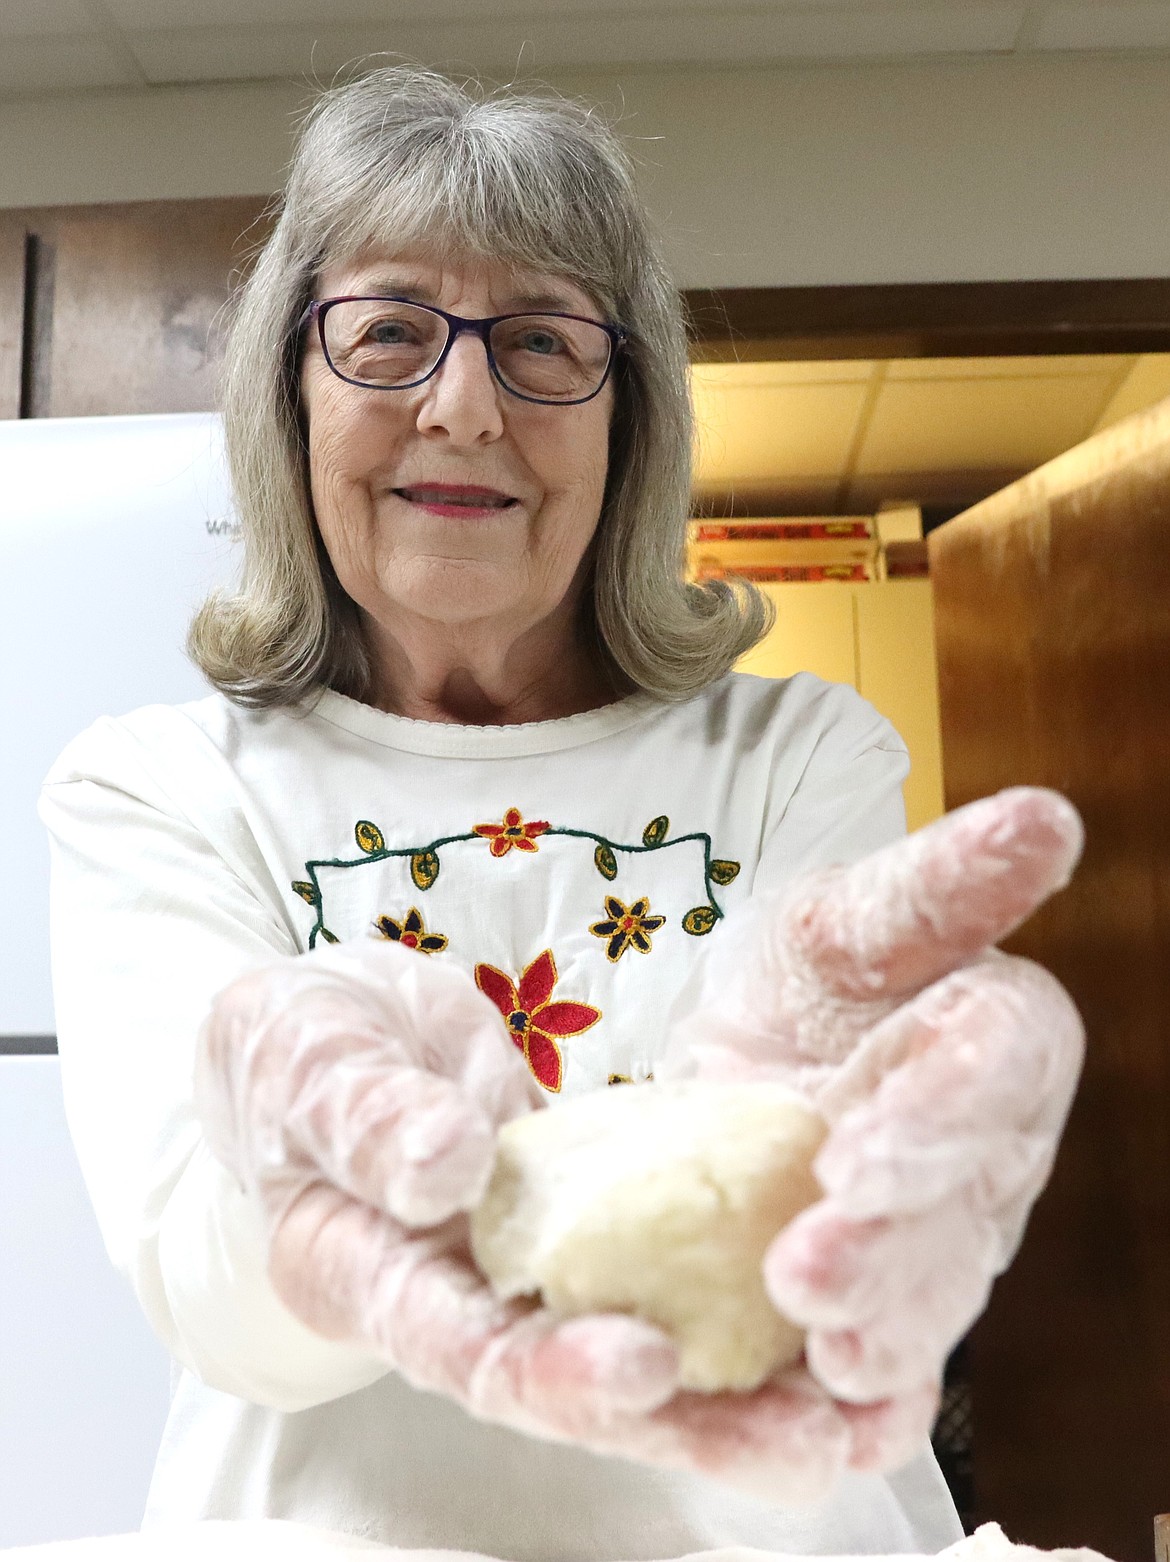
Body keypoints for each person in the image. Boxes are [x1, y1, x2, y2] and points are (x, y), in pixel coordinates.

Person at [39, 65, 1084, 1560]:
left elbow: (811, 1201)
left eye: (538, 342)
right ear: (289, 387)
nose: (461, 408)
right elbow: (215, 1300)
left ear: (627, 418)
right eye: (390, 330)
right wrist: (336, 1205)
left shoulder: (796, 752)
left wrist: (857, 1144)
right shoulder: (154, 784)